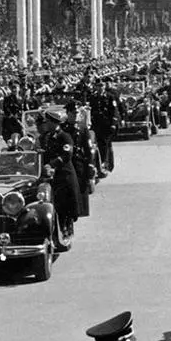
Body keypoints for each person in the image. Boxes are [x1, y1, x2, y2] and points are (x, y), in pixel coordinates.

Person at [40, 109, 80, 238]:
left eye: (48, 122)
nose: (46, 125)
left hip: (64, 173)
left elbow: (66, 155)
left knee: (66, 202)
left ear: (54, 122)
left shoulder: (65, 136)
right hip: (51, 175)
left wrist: (51, 164)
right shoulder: (46, 136)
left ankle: (67, 227)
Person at [89, 78, 120, 177]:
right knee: (97, 144)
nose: (100, 88)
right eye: (98, 86)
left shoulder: (110, 97)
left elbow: (114, 110)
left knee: (105, 145)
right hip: (96, 124)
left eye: (101, 86)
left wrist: (113, 123)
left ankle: (105, 164)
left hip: (106, 124)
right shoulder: (93, 97)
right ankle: (99, 163)